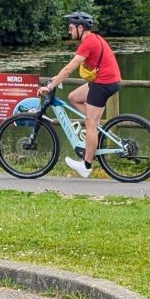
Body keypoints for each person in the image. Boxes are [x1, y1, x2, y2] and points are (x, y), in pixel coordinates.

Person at [38, 12, 121, 178]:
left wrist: (50, 87)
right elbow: (70, 68)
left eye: (71, 28)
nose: (69, 32)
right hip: (104, 80)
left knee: (90, 124)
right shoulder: (92, 39)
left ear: (80, 27)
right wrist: (56, 78)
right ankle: (94, 122)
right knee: (74, 97)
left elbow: (70, 68)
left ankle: (86, 166)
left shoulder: (88, 43)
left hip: (103, 83)